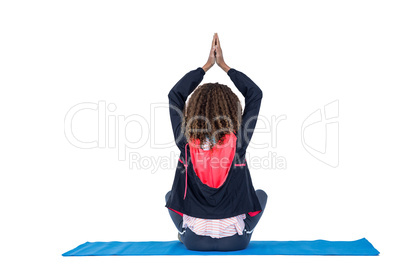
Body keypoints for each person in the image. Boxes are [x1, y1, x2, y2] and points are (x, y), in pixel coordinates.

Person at [165, 33, 268, 251]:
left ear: (194, 111)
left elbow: (175, 95)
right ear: (231, 111)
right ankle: (243, 229)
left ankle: (183, 233)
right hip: (236, 242)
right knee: (261, 196)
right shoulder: (239, 141)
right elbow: (255, 94)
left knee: (169, 197)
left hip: (195, 242)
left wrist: (205, 66)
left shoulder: (185, 141)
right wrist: (224, 66)